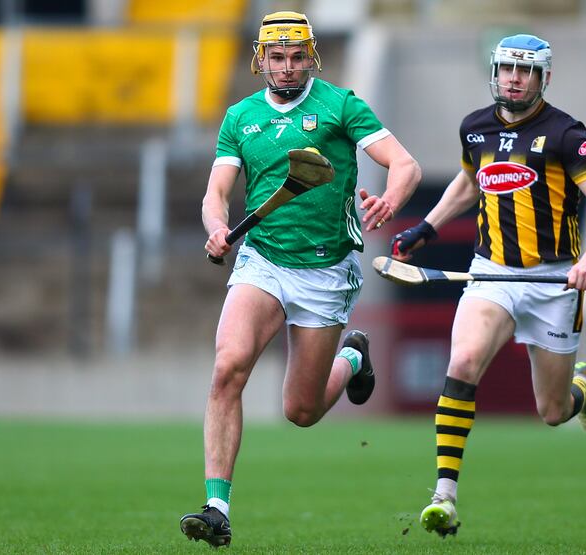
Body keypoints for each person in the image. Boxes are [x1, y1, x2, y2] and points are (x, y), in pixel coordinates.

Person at [179, 11, 421, 547]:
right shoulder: (240, 117)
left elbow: (405, 165)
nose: (287, 68)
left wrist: (390, 198)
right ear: (260, 60)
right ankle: (216, 506)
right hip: (262, 261)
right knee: (228, 367)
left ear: (310, 57)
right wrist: (218, 227)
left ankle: (352, 358)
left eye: (296, 58)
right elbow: (216, 193)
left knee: (302, 411)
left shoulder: (340, 105)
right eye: (277, 58)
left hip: (326, 269)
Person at [390, 34, 586, 537]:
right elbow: (470, 182)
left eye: (525, 71)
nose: (513, 79)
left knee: (552, 411)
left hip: (554, 281)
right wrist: (425, 229)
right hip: (490, 273)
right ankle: (444, 496)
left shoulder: (565, 132)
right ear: (493, 73)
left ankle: (585, 389)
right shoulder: (474, 128)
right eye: (505, 69)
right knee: (463, 363)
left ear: (543, 78)